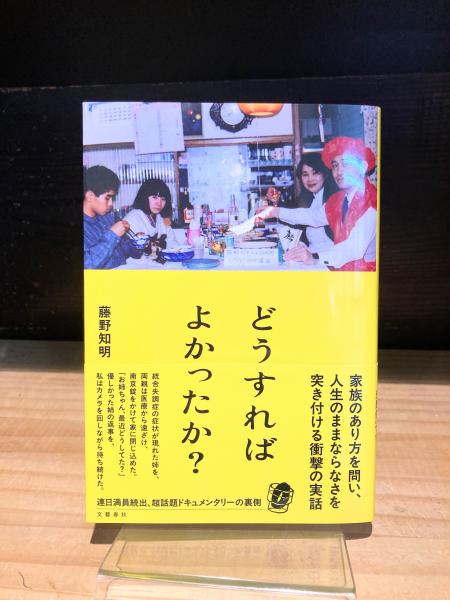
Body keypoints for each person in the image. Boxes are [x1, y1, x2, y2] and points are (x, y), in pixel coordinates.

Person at [259, 137, 377, 271]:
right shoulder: (338, 200)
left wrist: (314, 257)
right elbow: (312, 216)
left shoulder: (371, 203)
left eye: (346, 164)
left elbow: (352, 249)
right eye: (335, 165)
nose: (339, 171)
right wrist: (275, 211)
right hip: (339, 270)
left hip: (363, 275)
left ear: (363, 167)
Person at [83, 165, 141, 269]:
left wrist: (137, 242)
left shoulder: (106, 217)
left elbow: (126, 253)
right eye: (107, 198)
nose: (111, 204)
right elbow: (87, 265)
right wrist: (113, 234)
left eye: (112, 198)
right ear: (90, 196)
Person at [291, 153, 337, 254]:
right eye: (305, 174)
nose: (310, 179)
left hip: (331, 258)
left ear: (325, 174)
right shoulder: (307, 199)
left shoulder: (333, 198)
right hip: (312, 256)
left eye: (315, 173)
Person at [125, 179, 177, 248]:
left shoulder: (161, 218)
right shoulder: (133, 218)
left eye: (163, 199)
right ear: (144, 197)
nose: (159, 203)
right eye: (154, 197)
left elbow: (173, 245)